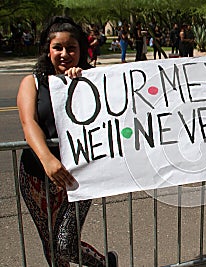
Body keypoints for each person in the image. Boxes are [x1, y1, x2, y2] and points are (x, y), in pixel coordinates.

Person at [16, 16, 118, 267]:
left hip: (78, 175)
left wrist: (81, 83)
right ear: (47, 50)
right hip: (36, 177)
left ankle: (103, 264)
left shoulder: (89, 81)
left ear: (81, 50)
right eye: (57, 47)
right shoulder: (32, 82)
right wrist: (48, 160)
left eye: (71, 48)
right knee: (51, 246)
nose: (64, 53)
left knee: (65, 243)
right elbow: (29, 124)